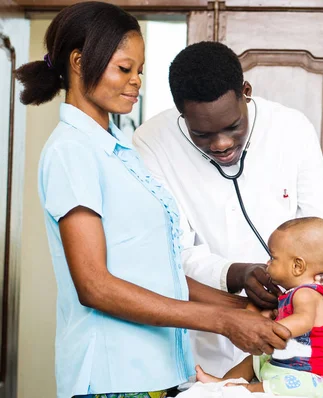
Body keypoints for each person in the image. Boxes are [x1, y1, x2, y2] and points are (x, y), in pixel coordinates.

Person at [16, 3, 290, 397]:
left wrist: (242, 309)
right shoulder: (71, 151)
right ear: (78, 62)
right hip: (115, 376)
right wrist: (220, 321)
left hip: (157, 371)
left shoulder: (120, 152)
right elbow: (94, 286)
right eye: (124, 69)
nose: (136, 82)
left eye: (139, 71)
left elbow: (155, 273)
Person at [133, 41, 323, 377]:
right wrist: (235, 273)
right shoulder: (151, 142)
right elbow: (170, 253)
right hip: (205, 336)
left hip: (291, 345)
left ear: (246, 92)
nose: (221, 144)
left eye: (232, 127)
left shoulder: (290, 128)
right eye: (202, 134)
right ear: (181, 113)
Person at [195, 217, 323, 397]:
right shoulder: (290, 294)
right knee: (252, 360)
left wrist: (268, 328)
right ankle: (223, 383)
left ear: (297, 266)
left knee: (285, 385)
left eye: (273, 257)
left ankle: (245, 389)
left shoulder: (308, 293)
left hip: (311, 375)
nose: (267, 262)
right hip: (285, 364)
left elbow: (303, 321)